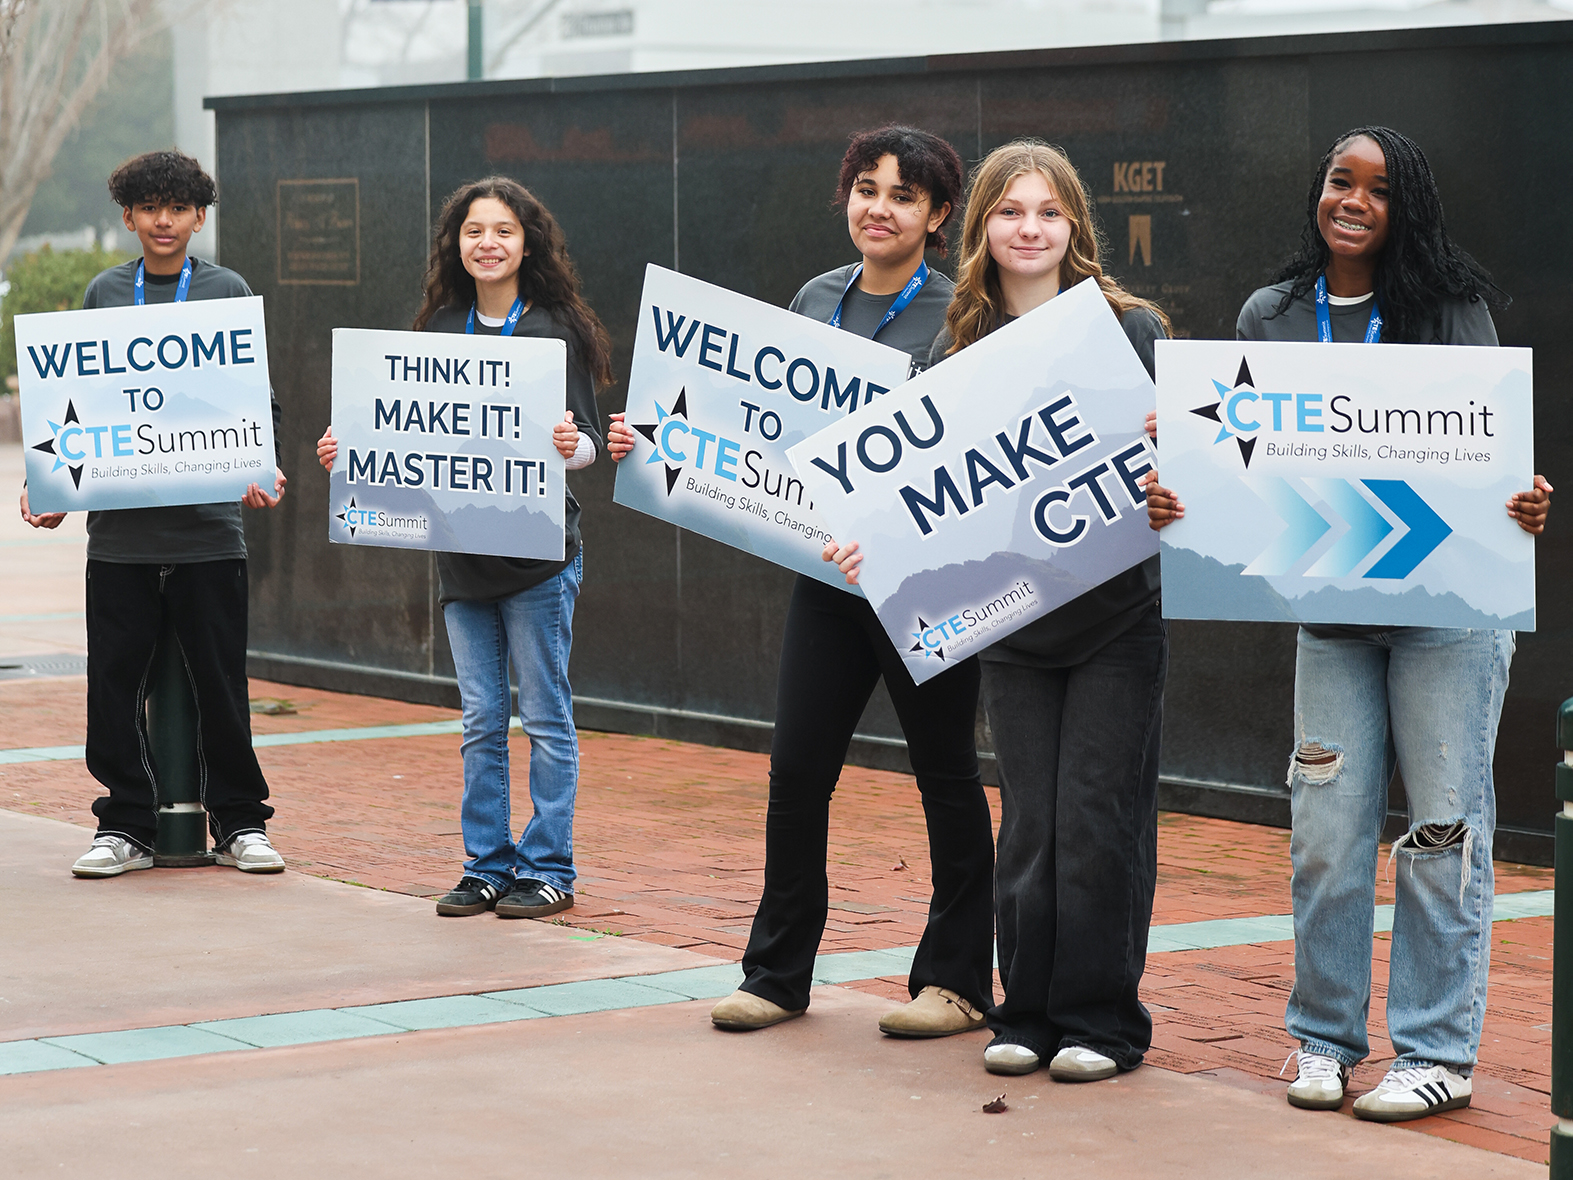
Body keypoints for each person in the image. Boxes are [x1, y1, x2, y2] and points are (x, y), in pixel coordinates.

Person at [1145, 126, 1553, 1121]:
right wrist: (1179, 493)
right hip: (1327, 612)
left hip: (1447, 613)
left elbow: (1494, 461)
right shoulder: (1271, 314)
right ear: (1317, 193)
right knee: (1326, 832)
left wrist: (1524, 501)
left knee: (1442, 830)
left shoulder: (1452, 309)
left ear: (1402, 204)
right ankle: (1321, 1042)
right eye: (1340, 181)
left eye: (1377, 188)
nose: (1355, 200)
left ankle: (1435, 1053)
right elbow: (1231, 458)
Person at [608, 126, 997, 1038]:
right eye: (867, 189)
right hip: (823, 576)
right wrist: (656, 442)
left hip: (918, 581)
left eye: (904, 195)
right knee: (796, 776)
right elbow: (756, 434)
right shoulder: (814, 299)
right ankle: (777, 975)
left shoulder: (959, 313)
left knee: (946, 776)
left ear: (938, 215)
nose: (880, 208)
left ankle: (956, 982)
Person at [829, 140, 1171, 1081]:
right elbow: (919, 494)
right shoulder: (957, 347)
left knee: (1097, 824)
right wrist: (875, 545)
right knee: (1027, 824)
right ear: (981, 225)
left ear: (1075, 228)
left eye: (1049, 212)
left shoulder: (1130, 330)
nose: (1030, 228)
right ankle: (1023, 1012)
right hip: (1012, 625)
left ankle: (1102, 1024)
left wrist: (1172, 464)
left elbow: (1200, 474)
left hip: (1115, 624)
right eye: (1011, 211)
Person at [317, 177, 608, 919]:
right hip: (461, 563)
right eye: (474, 230)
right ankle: (486, 865)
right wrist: (347, 455)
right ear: (456, 243)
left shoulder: (555, 328)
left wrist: (571, 446)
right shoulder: (439, 328)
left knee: (544, 717)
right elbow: (402, 434)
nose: (487, 243)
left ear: (527, 243)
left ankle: (548, 870)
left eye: (503, 230)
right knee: (481, 720)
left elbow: (592, 446)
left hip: (540, 563)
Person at [19, 150, 289, 877]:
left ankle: (239, 822)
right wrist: (49, 488)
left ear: (199, 216)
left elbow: (252, 396)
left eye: (176, 207)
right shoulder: (105, 292)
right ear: (129, 217)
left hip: (208, 533)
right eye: (147, 208)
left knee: (222, 687)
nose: (162, 220)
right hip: (121, 539)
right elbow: (72, 400)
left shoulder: (226, 289)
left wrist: (260, 464)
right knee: (113, 689)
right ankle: (125, 825)